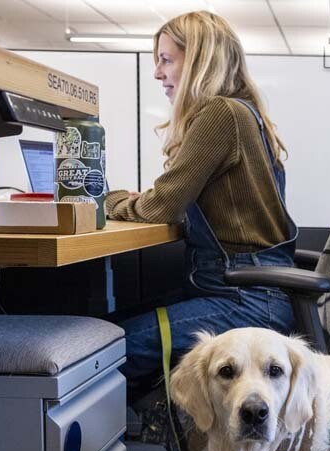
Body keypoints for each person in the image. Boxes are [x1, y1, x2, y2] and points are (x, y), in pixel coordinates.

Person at [105, 10, 297, 392]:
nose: (158, 73)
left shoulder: (220, 114)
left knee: (106, 349)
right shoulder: (247, 114)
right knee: (108, 328)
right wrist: (154, 198)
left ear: (197, 61)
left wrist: (108, 201)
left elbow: (161, 208)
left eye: (166, 59)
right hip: (251, 291)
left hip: (242, 298)